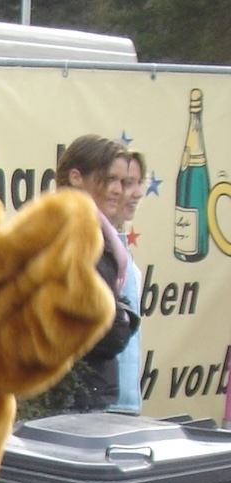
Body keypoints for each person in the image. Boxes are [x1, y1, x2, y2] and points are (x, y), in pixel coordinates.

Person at [55, 134, 140, 410]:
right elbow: (99, 330)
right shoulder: (70, 233)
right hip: (70, 399)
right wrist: (124, 319)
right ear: (76, 177)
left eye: (123, 181)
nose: (118, 190)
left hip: (87, 394)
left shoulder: (99, 234)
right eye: (110, 178)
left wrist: (120, 315)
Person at [109, 148, 146, 414]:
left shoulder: (120, 248)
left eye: (137, 183)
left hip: (124, 403)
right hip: (101, 405)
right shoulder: (93, 246)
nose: (136, 193)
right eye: (127, 183)